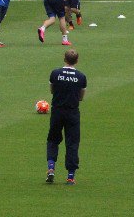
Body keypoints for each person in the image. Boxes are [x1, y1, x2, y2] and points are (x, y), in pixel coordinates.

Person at [46, 49, 87, 185]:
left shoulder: (55, 73)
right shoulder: (81, 77)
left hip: (57, 111)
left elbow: (52, 90)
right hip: (72, 113)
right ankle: (70, 176)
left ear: (64, 59)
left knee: (53, 140)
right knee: (72, 143)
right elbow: (81, 97)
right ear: (77, 61)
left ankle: (51, 168)